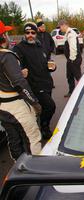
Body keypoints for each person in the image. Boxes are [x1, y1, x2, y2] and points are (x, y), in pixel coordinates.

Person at [0, 20, 42, 160]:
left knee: (13, 139)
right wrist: (34, 102)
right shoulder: (6, 55)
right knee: (33, 137)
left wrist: (17, 72)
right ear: (3, 36)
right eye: (6, 33)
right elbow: (19, 83)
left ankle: (18, 169)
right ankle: (36, 171)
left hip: (2, 106)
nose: (8, 36)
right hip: (14, 104)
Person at [13, 22, 56, 139]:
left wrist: (52, 66)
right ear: (24, 34)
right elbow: (14, 66)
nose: (30, 35)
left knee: (43, 108)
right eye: (27, 33)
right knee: (50, 106)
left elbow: (46, 62)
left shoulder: (39, 45)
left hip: (47, 83)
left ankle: (40, 124)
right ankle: (44, 128)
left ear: (36, 33)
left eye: (33, 32)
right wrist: (20, 71)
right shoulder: (19, 48)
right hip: (34, 86)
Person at [58, 20, 82, 98]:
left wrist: (72, 59)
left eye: (60, 27)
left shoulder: (71, 34)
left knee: (78, 76)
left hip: (73, 59)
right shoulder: (68, 33)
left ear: (64, 25)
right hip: (71, 59)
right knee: (69, 76)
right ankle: (71, 91)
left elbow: (73, 48)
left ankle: (82, 91)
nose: (60, 29)